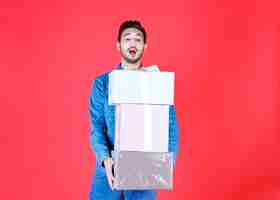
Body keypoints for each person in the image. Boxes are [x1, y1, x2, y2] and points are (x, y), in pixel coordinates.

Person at [89, 20, 179, 200]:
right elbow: (97, 127)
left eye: (138, 40)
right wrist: (105, 159)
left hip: (144, 169)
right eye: (127, 38)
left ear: (145, 46)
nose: (132, 43)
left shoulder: (157, 84)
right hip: (109, 170)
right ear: (118, 45)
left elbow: (170, 129)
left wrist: (164, 165)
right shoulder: (103, 83)